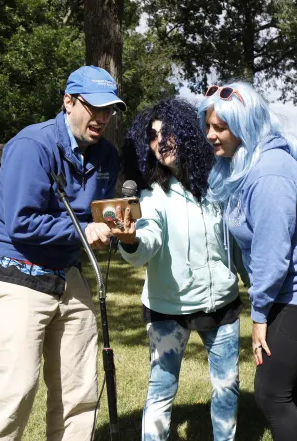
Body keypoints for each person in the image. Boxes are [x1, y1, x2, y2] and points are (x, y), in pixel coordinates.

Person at [0, 65, 124, 441]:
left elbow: (102, 211)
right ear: (68, 101)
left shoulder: (106, 156)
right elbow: (22, 223)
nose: (103, 118)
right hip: (16, 267)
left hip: (65, 268)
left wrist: (117, 226)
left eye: (109, 110)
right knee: (16, 388)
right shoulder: (33, 146)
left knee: (79, 391)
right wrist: (83, 231)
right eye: (95, 108)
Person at [198, 82, 297, 441]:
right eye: (209, 126)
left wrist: (259, 316)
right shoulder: (245, 165)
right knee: (294, 388)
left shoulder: (270, 173)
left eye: (221, 127)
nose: (210, 135)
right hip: (290, 292)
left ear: (246, 125)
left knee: (271, 393)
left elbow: (272, 254)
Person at [108, 98, 245, 441]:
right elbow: (147, 241)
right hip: (168, 310)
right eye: (152, 137)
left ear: (187, 133)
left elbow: (239, 244)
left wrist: (259, 291)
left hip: (223, 307)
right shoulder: (152, 196)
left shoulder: (219, 184)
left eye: (168, 132)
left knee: (227, 389)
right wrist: (130, 240)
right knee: (161, 390)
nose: (161, 142)